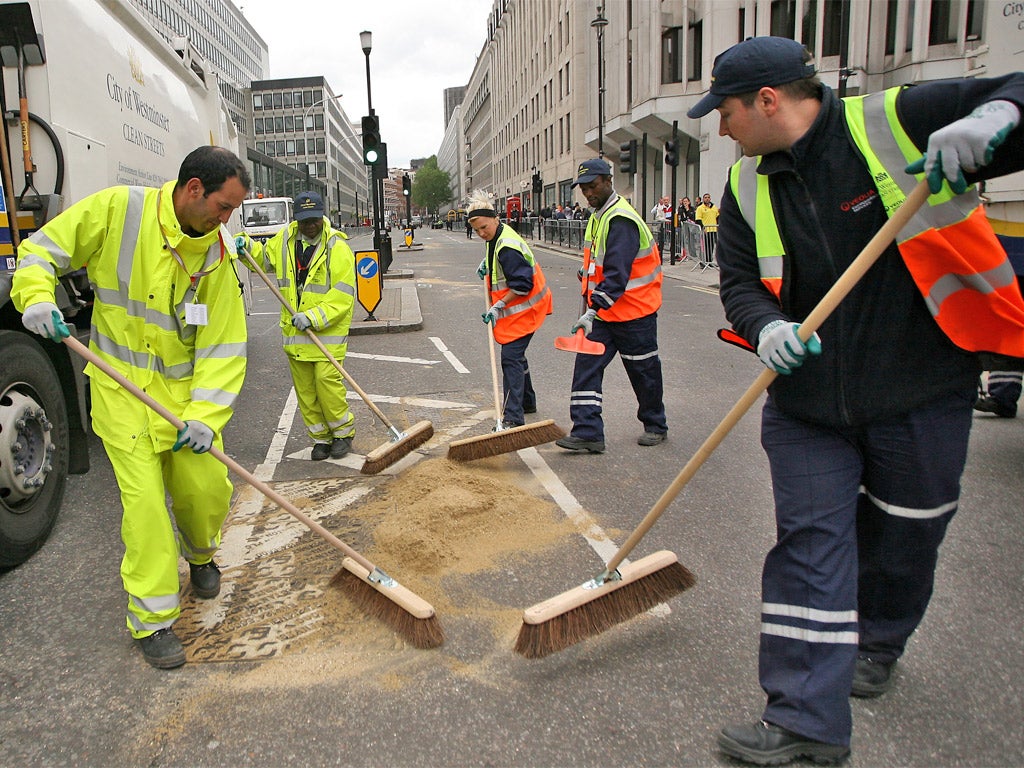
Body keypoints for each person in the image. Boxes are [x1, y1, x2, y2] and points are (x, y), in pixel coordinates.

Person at [688, 36, 1024, 765]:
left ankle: (878, 641)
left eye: (726, 111)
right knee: (809, 549)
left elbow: (1018, 91)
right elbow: (739, 283)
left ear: (767, 101)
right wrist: (765, 327)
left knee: (908, 535)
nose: (721, 128)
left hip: (921, 390)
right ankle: (805, 719)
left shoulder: (899, 120)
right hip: (807, 406)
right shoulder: (744, 187)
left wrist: (996, 117)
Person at [12, 145, 251, 670]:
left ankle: (202, 555)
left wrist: (205, 417)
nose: (226, 219)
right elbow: (39, 252)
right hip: (121, 395)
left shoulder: (217, 257)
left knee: (204, 491)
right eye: (224, 207)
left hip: (183, 404)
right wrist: (37, 297)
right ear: (194, 189)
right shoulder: (120, 210)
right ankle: (153, 620)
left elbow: (224, 346)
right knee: (144, 511)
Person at [555, 158, 668, 453]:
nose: (588, 193)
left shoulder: (621, 219)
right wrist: (587, 273)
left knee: (644, 372)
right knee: (586, 368)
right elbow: (602, 263)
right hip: (605, 315)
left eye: (593, 186)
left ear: (608, 181)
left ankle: (656, 425)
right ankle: (588, 432)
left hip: (634, 314)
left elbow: (618, 274)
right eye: (583, 189)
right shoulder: (599, 216)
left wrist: (592, 310)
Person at [255, 191, 356, 461]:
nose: (309, 226)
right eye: (304, 221)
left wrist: (312, 317)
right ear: (296, 219)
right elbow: (263, 257)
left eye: (314, 220)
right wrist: (243, 247)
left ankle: (342, 434)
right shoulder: (285, 240)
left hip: (326, 334)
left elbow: (343, 296)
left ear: (322, 217)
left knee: (327, 383)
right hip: (295, 335)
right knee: (306, 391)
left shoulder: (337, 248)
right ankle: (321, 439)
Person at [468, 191, 553, 427]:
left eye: (484, 227)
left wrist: (498, 306)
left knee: (511, 358)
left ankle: (513, 417)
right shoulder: (497, 237)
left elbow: (523, 285)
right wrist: (487, 263)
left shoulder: (506, 246)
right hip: (522, 309)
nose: (481, 233)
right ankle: (527, 402)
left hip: (527, 308)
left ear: (495, 219)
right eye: (476, 230)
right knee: (517, 357)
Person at [694, 192, 720, 267]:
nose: (707, 199)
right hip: (705, 230)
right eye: (705, 197)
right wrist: (703, 227)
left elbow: (717, 217)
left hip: (713, 229)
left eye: (708, 197)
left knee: (711, 246)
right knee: (704, 247)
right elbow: (698, 220)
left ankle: (709, 261)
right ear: (703, 199)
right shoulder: (700, 208)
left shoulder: (714, 207)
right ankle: (703, 262)